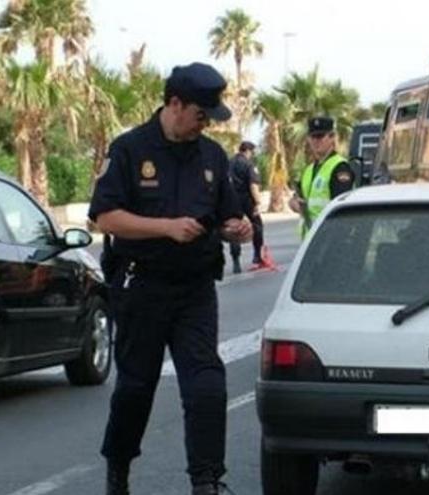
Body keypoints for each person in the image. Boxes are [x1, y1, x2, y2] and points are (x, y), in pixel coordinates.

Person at [88, 62, 253, 495]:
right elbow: (105, 217)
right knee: (136, 389)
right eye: (200, 114)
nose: (204, 124)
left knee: (206, 386)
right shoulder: (129, 150)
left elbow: (228, 213)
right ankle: (118, 469)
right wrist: (166, 227)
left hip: (195, 288)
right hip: (142, 287)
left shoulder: (213, 156)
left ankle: (207, 481)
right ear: (175, 104)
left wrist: (238, 227)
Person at [288, 116, 355, 238]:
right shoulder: (308, 170)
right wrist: (294, 204)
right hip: (310, 238)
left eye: (320, 137)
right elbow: (296, 198)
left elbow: (341, 206)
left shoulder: (340, 167)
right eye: (312, 137)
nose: (316, 141)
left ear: (332, 138)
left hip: (332, 237)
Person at [228, 141, 264, 272]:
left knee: (235, 228)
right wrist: (258, 202)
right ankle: (257, 257)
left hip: (232, 199)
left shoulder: (229, 162)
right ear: (248, 151)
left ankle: (235, 260)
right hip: (247, 199)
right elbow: (253, 185)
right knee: (257, 225)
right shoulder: (249, 164)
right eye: (252, 152)